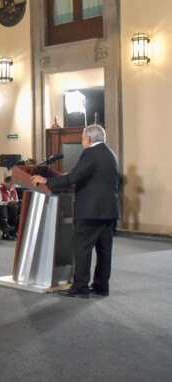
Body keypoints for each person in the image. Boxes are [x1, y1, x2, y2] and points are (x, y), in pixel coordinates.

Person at [31, 124, 120, 298]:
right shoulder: (110, 154)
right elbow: (89, 175)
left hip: (91, 211)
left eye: (82, 139)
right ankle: (101, 286)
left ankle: (80, 288)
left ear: (88, 139)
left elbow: (74, 177)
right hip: (108, 210)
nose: (82, 142)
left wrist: (46, 181)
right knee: (104, 250)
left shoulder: (91, 153)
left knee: (81, 248)